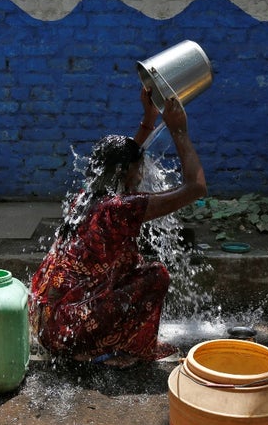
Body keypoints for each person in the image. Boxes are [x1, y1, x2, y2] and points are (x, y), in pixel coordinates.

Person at [30, 87, 207, 368]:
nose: (143, 173)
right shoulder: (119, 209)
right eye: (140, 167)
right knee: (155, 274)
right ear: (128, 172)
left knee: (125, 269)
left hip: (47, 321)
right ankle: (127, 349)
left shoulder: (87, 196)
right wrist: (180, 131)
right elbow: (196, 187)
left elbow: (123, 157)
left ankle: (86, 344)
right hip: (70, 331)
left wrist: (148, 120)